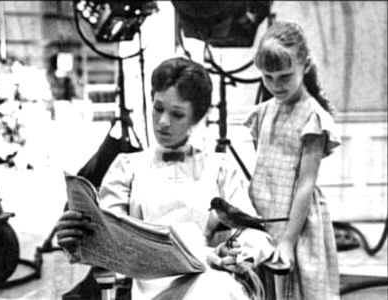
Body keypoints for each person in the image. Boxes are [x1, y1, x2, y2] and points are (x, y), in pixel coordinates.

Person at [56, 57, 275, 300]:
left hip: (207, 275)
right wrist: (75, 236)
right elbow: (106, 236)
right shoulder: (127, 166)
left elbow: (255, 232)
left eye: (177, 114)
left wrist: (239, 254)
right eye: (158, 108)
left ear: (196, 117)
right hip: (150, 289)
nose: (163, 122)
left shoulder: (219, 167)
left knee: (215, 289)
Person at [244, 21, 341, 300]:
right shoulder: (262, 114)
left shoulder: (312, 116)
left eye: (285, 76)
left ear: (305, 66)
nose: (276, 85)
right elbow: (262, 173)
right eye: (268, 77)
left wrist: (288, 239)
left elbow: (305, 183)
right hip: (264, 219)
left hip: (296, 223)